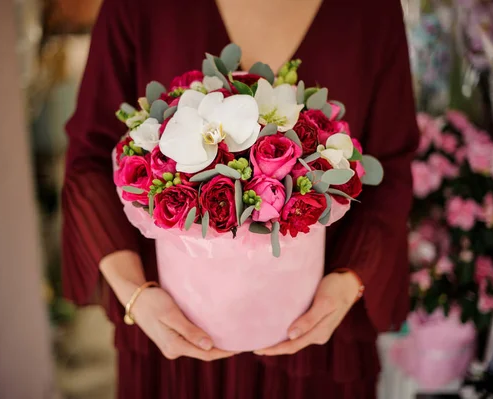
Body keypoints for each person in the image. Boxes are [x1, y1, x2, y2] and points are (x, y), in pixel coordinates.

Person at [62, 0, 419, 397]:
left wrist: (349, 281)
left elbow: (391, 167)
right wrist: (135, 294)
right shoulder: (138, 7)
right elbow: (90, 159)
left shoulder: (372, 11)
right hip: (173, 339)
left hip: (320, 341)